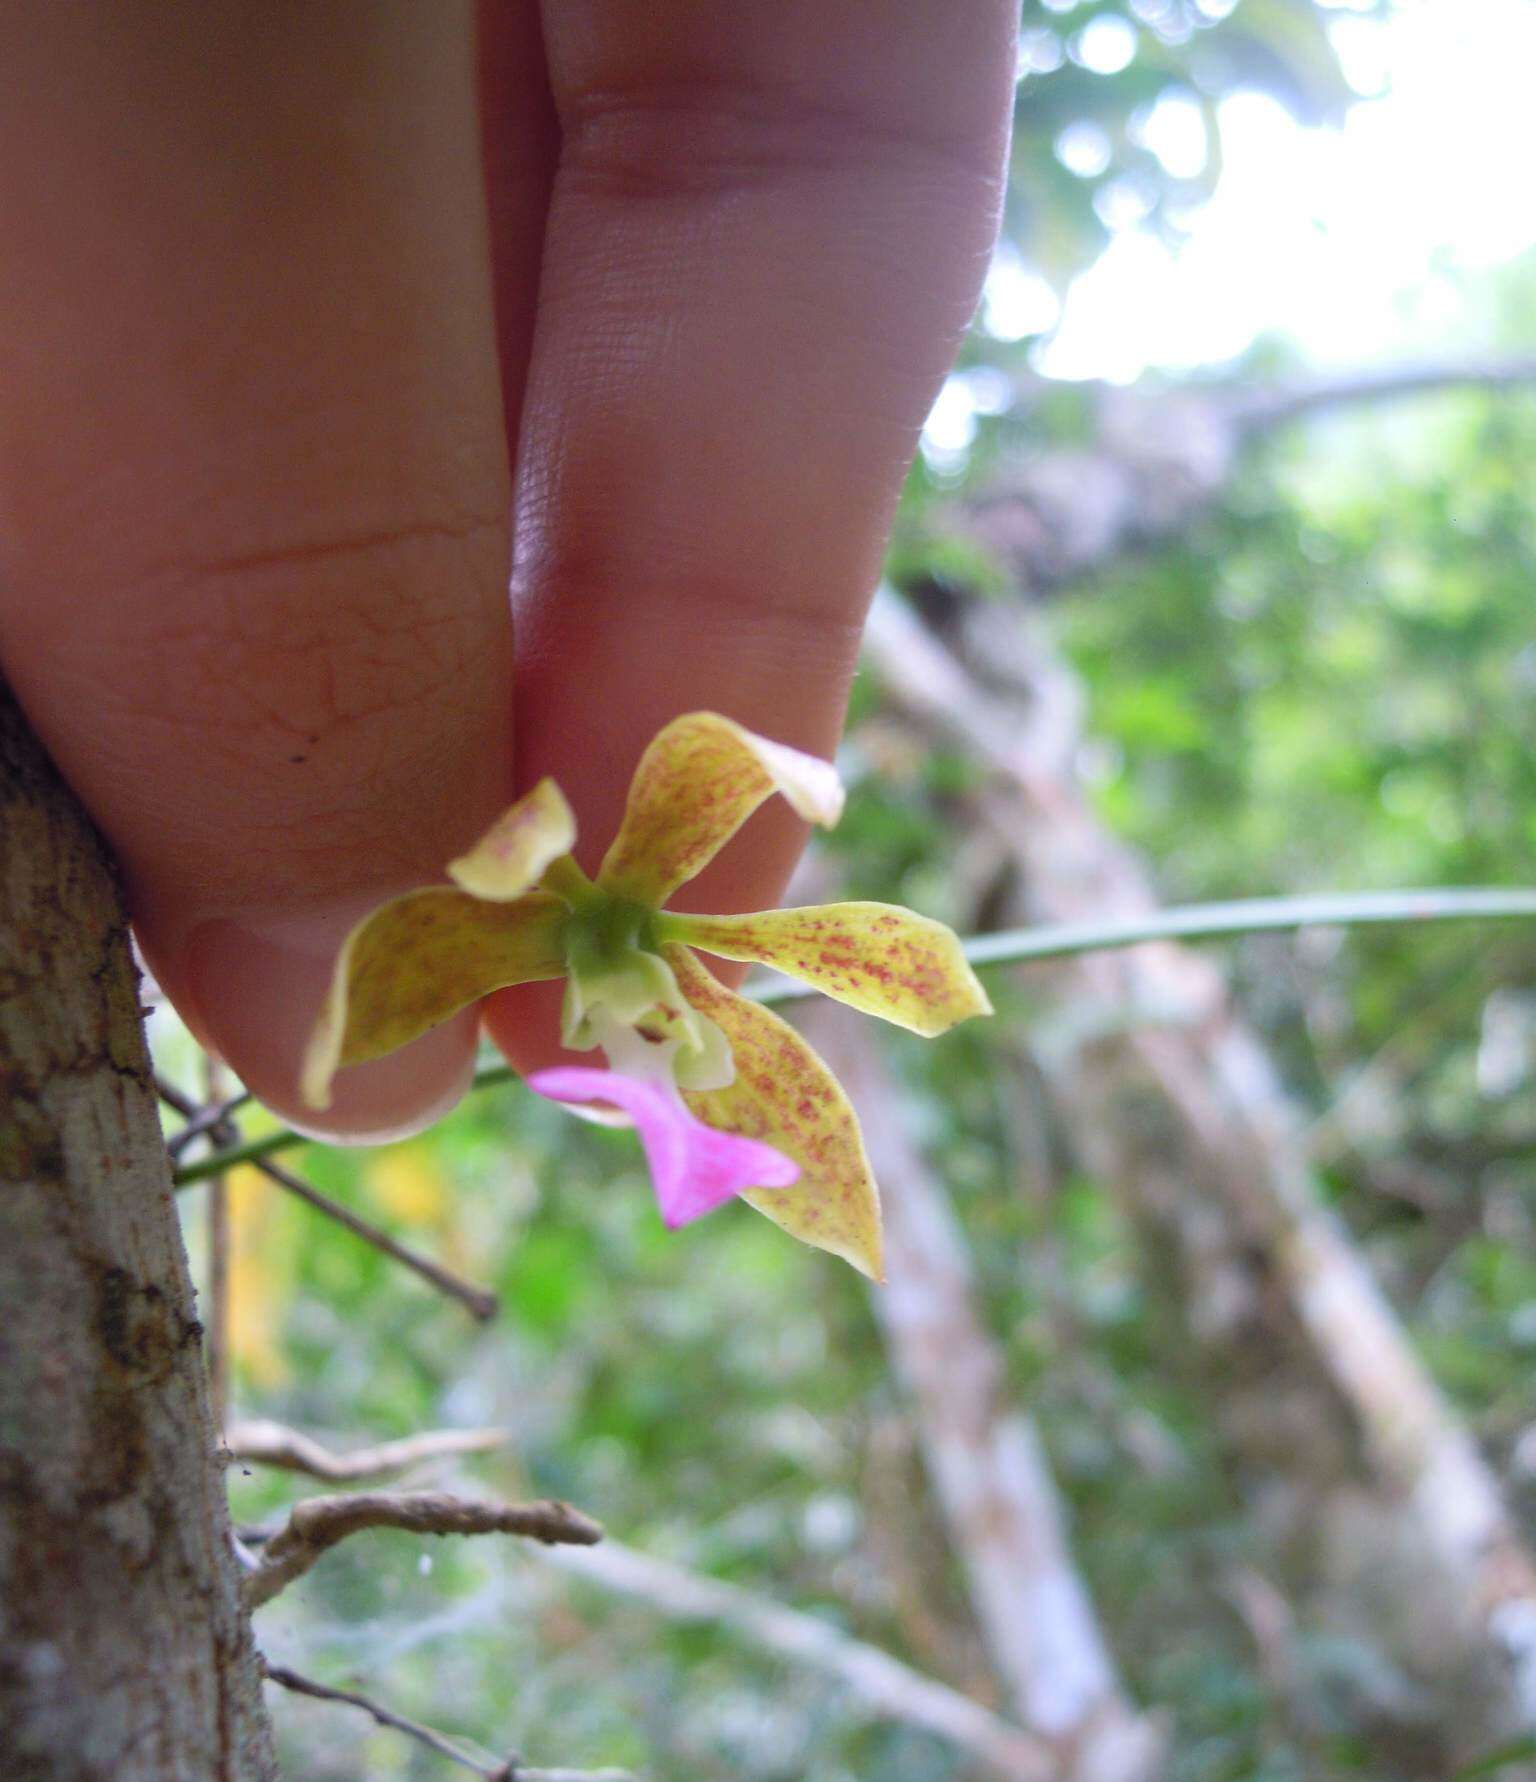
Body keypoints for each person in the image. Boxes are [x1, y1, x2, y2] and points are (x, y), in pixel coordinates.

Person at [0, 2, 1014, 1136]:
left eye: (630, 1030)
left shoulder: (590, 942)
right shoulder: (527, 871)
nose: (648, 1024)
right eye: (659, 1027)